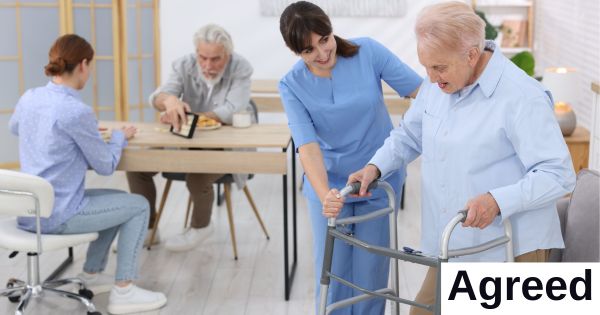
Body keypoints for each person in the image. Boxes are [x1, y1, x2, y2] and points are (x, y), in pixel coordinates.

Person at [345, 2, 576, 315]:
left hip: (513, 248)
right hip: (455, 241)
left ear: (471, 53)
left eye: (439, 68)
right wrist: (376, 166)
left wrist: (497, 200)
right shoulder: (437, 84)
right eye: (426, 67)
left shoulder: (521, 95)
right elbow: (410, 135)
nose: (431, 78)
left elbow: (559, 173)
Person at [278, 2, 422, 314]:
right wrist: (325, 195)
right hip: (330, 187)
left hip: (379, 179)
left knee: (372, 275)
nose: (322, 53)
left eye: (324, 39)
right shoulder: (291, 85)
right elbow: (308, 146)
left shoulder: (368, 52)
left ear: (331, 31)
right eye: (308, 50)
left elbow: (420, 93)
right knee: (333, 275)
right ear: (296, 53)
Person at [8, 34, 167, 314]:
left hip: (29, 210)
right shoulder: (76, 111)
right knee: (138, 206)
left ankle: (90, 275)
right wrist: (118, 137)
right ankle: (124, 291)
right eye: (90, 66)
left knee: (117, 201)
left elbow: (15, 128)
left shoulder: (30, 97)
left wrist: (69, 143)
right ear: (83, 64)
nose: (89, 72)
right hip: (58, 215)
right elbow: (106, 166)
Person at [127, 23, 254, 252]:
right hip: (186, 139)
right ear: (196, 53)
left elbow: (232, 110)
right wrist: (169, 101)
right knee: (137, 165)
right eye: (202, 57)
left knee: (198, 173)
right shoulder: (183, 64)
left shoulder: (241, 67)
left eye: (215, 59)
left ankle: (201, 227)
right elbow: (156, 98)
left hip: (228, 144)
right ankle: (148, 229)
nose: (207, 65)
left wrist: (188, 116)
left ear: (228, 54)